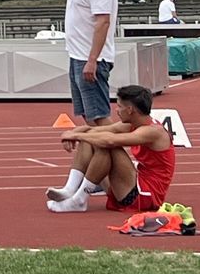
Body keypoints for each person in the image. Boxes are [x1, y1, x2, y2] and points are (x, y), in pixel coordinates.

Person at [46, 0, 120, 204]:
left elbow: (102, 22)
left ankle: (123, 171)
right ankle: (99, 180)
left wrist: (93, 59)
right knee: (90, 120)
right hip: (77, 56)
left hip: (91, 60)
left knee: (100, 120)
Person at [48, 85, 174, 214]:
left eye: (119, 106)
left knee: (105, 144)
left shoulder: (152, 131)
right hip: (133, 184)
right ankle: (70, 189)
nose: (117, 110)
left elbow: (110, 141)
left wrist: (76, 136)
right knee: (90, 139)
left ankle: (79, 200)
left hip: (145, 195)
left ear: (130, 110)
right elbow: (94, 131)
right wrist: (73, 133)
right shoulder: (134, 124)